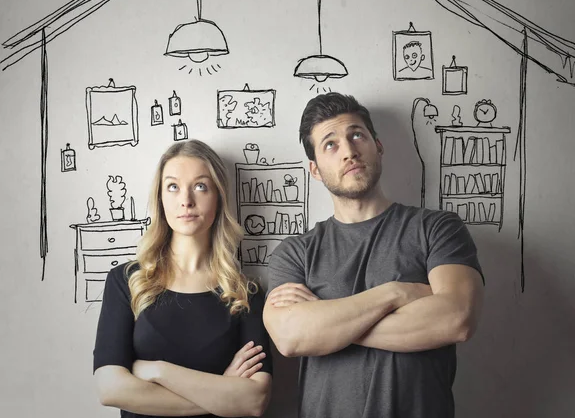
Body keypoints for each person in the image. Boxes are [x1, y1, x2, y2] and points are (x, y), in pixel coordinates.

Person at [264, 93, 484, 418]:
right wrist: (397, 292)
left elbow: (457, 319)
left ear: (377, 146)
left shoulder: (437, 228)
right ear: (314, 170)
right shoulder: (295, 253)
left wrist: (328, 326)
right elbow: (291, 337)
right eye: (330, 144)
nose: (349, 151)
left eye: (357, 135)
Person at [94, 140, 272, 418]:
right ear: (161, 198)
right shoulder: (126, 281)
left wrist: (157, 371)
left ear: (219, 197)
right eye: (173, 186)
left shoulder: (246, 293)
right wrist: (223, 391)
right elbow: (111, 390)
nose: (186, 200)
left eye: (200, 186)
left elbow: (254, 401)